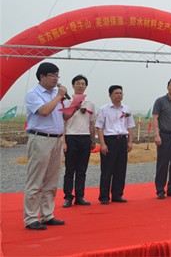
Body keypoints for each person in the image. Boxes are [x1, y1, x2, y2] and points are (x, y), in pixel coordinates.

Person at [24, 62, 74, 230]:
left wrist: (74, 107)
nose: (56, 79)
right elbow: (44, 111)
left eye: (57, 76)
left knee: (52, 180)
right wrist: (59, 96)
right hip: (40, 139)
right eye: (53, 75)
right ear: (42, 76)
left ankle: (47, 215)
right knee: (36, 179)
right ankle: (31, 218)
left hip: (57, 139)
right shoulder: (34, 94)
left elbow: (64, 117)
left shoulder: (55, 94)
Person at [96, 85, 135, 204]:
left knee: (120, 169)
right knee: (107, 170)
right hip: (109, 140)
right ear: (110, 95)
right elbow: (99, 127)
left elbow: (130, 126)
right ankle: (104, 197)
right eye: (116, 93)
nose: (119, 95)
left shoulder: (126, 109)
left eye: (121, 93)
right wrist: (102, 144)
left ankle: (117, 195)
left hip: (122, 140)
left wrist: (130, 141)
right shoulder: (104, 109)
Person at [62, 75, 96, 208]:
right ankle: (68, 197)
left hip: (85, 138)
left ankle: (80, 196)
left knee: (82, 170)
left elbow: (92, 124)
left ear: (86, 86)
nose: (80, 86)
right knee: (70, 169)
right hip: (71, 137)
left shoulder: (90, 103)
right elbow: (63, 123)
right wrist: (63, 141)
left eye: (83, 84)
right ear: (73, 85)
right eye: (78, 83)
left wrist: (93, 140)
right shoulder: (66, 102)